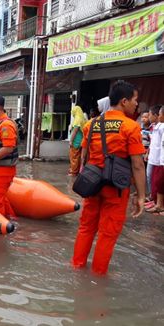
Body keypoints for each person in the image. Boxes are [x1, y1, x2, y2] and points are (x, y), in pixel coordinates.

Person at [72, 80, 146, 275]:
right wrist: (140, 196)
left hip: (92, 183)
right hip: (116, 188)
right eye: (135, 100)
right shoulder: (130, 127)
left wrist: (80, 176)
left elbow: (84, 156)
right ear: (124, 101)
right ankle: (98, 278)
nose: (136, 104)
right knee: (107, 233)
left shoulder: (92, 124)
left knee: (86, 228)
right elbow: (138, 165)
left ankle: (77, 267)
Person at [145, 105, 164, 214]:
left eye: (160, 114)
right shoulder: (158, 126)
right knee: (155, 181)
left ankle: (159, 205)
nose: (158, 117)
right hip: (158, 159)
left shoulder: (162, 127)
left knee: (159, 182)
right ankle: (157, 202)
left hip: (161, 160)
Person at [69, 105, 87, 176]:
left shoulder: (77, 119)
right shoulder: (83, 118)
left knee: (74, 157)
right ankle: (78, 171)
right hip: (81, 141)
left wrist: (71, 141)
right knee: (79, 157)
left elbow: (75, 131)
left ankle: (73, 172)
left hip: (76, 141)